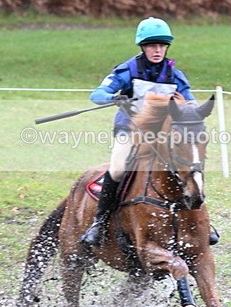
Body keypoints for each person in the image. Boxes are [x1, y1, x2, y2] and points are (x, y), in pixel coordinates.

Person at [81, 16, 219, 247]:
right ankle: (100, 221)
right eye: (151, 45)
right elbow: (97, 94)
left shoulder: (175, 75)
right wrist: (115, 97)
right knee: (117, 169)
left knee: (187, 165)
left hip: (163, 134)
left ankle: (201, 221)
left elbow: (192, 104)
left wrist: (188, 105)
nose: (157, 50)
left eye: (161, 46)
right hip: (131, 130)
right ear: (143, 47)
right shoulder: (127, 70)